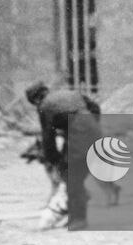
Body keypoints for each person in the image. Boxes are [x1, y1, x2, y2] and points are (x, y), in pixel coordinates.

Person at [25, 81, 102, 230]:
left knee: (71, 175)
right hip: (92, 131)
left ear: (35, 99)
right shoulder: (70, 94)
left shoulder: (44, 106)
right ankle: (76, 212)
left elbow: (48, 136)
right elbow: (95, 107)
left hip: (77, 136)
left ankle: (79, 218)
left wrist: (53, 159)